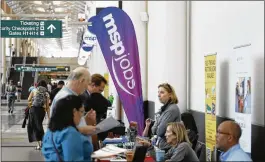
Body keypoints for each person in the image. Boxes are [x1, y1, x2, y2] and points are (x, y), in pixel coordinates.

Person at [42, 95, 93, 161]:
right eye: (81, 112)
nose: (82, 116)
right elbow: (73, 159)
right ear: (74, 111)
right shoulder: (70, 133)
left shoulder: (49, 131)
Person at [50, 67, 96, 137]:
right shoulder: (66, 98)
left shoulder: (69, 96)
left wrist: (84, 120)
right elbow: (62, 129)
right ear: (82, 80)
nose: (87, 87)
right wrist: (85, 129)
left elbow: (71, 123)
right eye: (88, 83)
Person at [150, 83, 181, 152]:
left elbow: (160, 132)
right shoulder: (164, 109)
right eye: (158, 92)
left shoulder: (171, 110)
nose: (158, 95)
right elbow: (153, 130)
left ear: (170, 95)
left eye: (162, 92)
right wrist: (157, 126)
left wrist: (157, 125)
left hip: (168, 148)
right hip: (162, 146)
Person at [27, 80, 50, 150]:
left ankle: (39, 145)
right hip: (42, 111)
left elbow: (29, 99)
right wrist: (49, 116)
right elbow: (47, 106)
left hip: (34, 110)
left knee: (34, 126)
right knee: (39, 125)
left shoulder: (34, 90)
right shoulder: (46, 93)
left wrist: (31, 105)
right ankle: (43, 141)